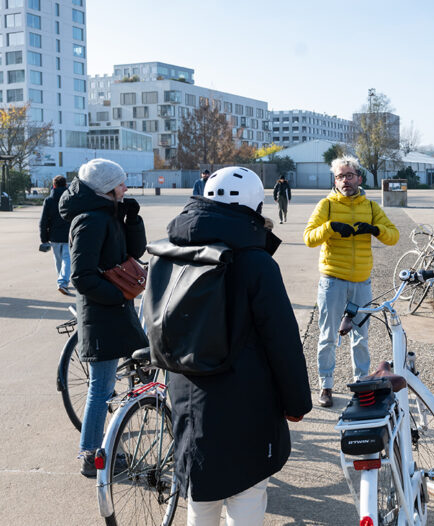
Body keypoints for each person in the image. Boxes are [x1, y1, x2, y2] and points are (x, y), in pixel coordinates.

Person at [157, 166, 312, 525]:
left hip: (186, 390)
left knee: (200, 490)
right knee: (248, 490)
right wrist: (296, 402)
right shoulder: (255, 261)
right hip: (246, 396)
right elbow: (282, 341)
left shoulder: (172, 250)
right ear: (256, 207)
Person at [58, 159, 149, 477]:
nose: (126, 187)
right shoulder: (89, 220)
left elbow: (134, 252)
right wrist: (116, 296)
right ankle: (89, 454)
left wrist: (132, 219)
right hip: (101, 312)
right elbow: (81, 276)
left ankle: (107, 443)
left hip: (115, 311)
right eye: (121, 183)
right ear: (106, 188)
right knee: (100, 388)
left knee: (119, 378)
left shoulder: (111, 213)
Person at [303, 156, 399, 408]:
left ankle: (361, 384)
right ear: (334, 180)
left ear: (359, 177)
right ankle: (326, 385)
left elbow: (394, 236)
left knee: (361, 337)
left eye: (349, 175)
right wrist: (330, 227)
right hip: (333, 280)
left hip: (361, 282)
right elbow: (309, 238)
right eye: (340, 176)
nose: (345, 180)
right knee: (327, 336)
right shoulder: (327, 205)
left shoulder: (370, 207)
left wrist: (375, 229)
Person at [39, 175, 72, 295]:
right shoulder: (71, 199)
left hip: (54, 236)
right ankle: (63, 282)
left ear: (53, 185)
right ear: (66, 186)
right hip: (69, 235)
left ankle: (62, 281)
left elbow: (43, 221)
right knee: (67, 259)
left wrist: (44, 238)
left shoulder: (48, 200)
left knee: (58, 260)